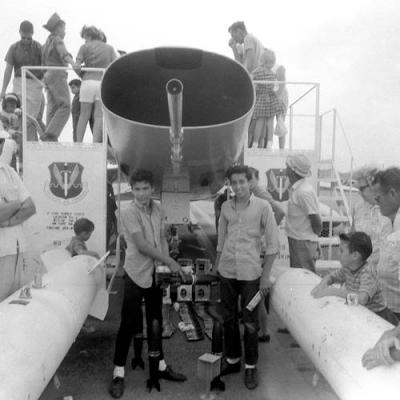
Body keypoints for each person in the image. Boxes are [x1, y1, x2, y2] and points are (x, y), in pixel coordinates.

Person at [109, 169, 186, 399]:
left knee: (156, 321)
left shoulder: (159, 209)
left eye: (145, 188)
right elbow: (142, 246)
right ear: (131, 189)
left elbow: (161, 238)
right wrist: (170, 261)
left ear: (152, 188)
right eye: (137, 189)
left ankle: (161, 367)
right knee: (129, 324)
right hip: (135, 274)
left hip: (154, 275)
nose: (141, 193)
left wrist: (163, 268)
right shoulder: (128, 212)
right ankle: (118, 372)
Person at [216, 165, 279, 390]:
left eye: (242, 181)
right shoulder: (225, 207)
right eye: (234, 183)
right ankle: (233, 359)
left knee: (250, 321)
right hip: (228, 274)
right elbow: (221, 240)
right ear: (229, 185)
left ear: (250, 182)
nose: (238, 186)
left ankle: (251, 365)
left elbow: (273, 245)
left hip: (252, 276)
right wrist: (217, 265)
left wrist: (265, 277)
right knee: (229, 318)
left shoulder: (263, 207)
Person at [311, 232, 398, 324]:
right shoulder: (347, 268)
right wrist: (322, 286)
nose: (337, 253)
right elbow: (331, 277)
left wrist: (334, 292)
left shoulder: (368, 272)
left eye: (341, 250)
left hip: (378, 317)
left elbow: (362, 299)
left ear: (355, 256)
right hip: (361, 312)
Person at [362, 167, 400, 369]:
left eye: (379, 199)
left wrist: (395, 350)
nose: (377, 204)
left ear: (393, 193)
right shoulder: (394, 224)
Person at [1, 20, 44, 141]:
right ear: (19, 33)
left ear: (33, 34)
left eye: (28, 38)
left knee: (31, 118)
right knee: (18, 115)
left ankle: (33, 145)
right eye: (23, 37)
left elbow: (45, 69)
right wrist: (3, 90)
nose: (25, 40)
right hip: (19, 83)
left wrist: (46, 84)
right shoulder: (13, 48)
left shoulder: (39, 47)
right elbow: (8, 70)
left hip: (35, 84)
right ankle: (21, 149)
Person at [75, 25, 117, 143]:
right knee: (98, 116)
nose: (85, 40)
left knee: (84, 115)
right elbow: (115, 65)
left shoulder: (84, 47)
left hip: (87, 82)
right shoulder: (109, 48)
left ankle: (78, 142)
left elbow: (77, 65)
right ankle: (95, 143)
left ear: (89, 35)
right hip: (102, 83)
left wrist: (81, 74)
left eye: (85, 37)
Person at [0, 161, 36, 301]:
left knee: (11, 301)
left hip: (14, 248)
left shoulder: (8, 172)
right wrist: (16, 204)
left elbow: (31, 207)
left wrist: (7, 220)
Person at [349, 165, 391, 271]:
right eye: (358, 189)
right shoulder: (358, 208)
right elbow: (352, 235)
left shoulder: (391, 209)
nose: (359, 192)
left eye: (362, 188)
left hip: (383, 271)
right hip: (360, 270)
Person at [41, 13, 75, 141]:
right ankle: (50, 135)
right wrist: (74, 64)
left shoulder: (46, 44)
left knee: (52, 107)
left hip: (47, 75)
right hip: (57, 74)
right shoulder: (57, 40)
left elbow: (43, 63)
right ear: (58, 28)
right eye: (63, 29)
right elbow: (64, 53)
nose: (64, 32)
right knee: (65, 106)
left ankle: (49, 134)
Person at [285, 153, 321, 272]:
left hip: (303, 243)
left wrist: (313, 239)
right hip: (299, 241)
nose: (286, 167)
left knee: (304, 280)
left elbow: (316, 220)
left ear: (292, 171)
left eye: (288, 166)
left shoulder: (303, 192)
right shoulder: (299, 189)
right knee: (299, 278)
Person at [248, 49, 284, 149]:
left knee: (259, 122)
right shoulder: (272, 74)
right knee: (270, 122)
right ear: (271, 62)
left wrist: (256, 87)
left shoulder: (256, 71)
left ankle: (255, 143)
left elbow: (250, 79)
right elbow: (275, 87)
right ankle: (269, 143)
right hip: (270, 99)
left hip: (260, 100)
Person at [273, 64, 288, 149]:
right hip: (272, 95)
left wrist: (278, 94)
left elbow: (282, 80)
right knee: (268, 121)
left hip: (280, 95)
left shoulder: (277, 67)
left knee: (280, 122)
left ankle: (281, 148)